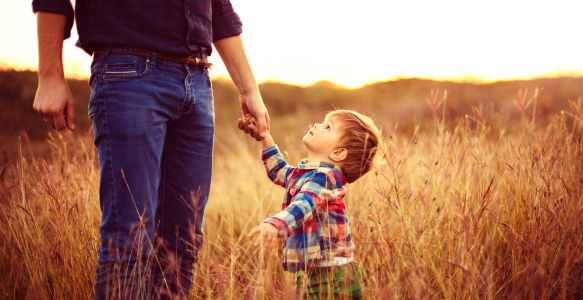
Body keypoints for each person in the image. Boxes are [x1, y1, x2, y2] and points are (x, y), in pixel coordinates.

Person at [31, 0, 269, 298]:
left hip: (197, 80)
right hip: (129, 73)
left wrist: (249, 89)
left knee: (183, 245)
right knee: (129, 242)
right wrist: (49, 73)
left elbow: (218, 7)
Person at [241, 110, 382, 299]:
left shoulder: (325, 178)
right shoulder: (307, 174)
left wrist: (276, 224)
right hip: (314, 271)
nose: (317, 125)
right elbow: (279, 170)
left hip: (332, 277)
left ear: (338, 153)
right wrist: (265, 136)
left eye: (328, 127)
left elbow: (304, 205)